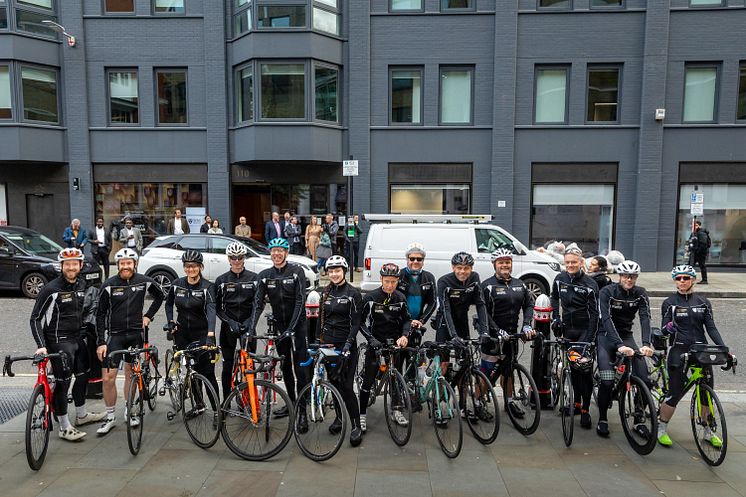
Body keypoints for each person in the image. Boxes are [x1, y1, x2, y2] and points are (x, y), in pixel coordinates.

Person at [30, 248, 105, 441]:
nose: (71, 267)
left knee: (83, 377)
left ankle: (81, 416)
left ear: (80, 265)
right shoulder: (51, 289)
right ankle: (64, 427)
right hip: (57, 341)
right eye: (67, 264)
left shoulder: (81, 284)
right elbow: (35, 318)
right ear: (61, 266)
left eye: (74, 264)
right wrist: (41, 345)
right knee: (63, 383)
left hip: (78, 339)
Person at [657, 264, 733, 447]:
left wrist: (724, 348)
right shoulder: (669, 302)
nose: (682, 281)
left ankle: (708, 431)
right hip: (679, 350)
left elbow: (711, 328)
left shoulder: (703, 302)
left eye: (685, 278)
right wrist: (668, 328)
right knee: (675, 392)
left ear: (693, 279)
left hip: (701, 351)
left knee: (706, 393)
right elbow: (663, 329)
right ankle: (661, 428)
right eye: (678, 278)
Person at [94, 248, 165, 435]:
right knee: (108, 378)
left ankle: (129, 410)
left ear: (135, 264)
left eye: (129, 263)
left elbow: (161, 296)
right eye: (122, 263)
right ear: (117, 265)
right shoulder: (108, 285)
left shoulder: (143, 282)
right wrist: (101, 341)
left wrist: (148, 316)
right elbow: (99, 315)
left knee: (130, 376)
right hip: (114, 337)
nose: (126, 266)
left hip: (135, 335)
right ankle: (110, 417)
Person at [249, 238, 309, 427]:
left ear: (286, 253)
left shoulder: (296, 272)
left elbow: (300, 301)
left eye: (280, 251)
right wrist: (251, 327)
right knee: (285, 368)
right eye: (274, 251)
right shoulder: (265, 275)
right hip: (280, 328)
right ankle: (291, 402)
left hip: (297, 327)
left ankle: (302, 410)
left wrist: (292, 328)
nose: (277, 254)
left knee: (301, 369)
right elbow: (258, 303)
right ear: (270, 253)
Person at [596, 260, 653, 438]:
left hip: (627, 336)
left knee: (645, 379)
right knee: (606, 380)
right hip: (606, 337)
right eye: (626, 276)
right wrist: (619, 345)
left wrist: (646, 344)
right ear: (620, 276)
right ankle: (603, 418)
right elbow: (606, 319)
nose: (629, 279)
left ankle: (638, 419)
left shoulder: (640, 293)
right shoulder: (608, 292)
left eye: (633, 276)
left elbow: (645, 318)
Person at [481, 248, 536, 419]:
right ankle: (477, 401)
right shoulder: (488, 285)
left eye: (507, 262)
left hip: (512, 336)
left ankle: (509, 401)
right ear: (494, 265)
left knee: (509, 370)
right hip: (492, 337)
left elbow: (529, 305)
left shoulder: (520, 284)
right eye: (501, 262)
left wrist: (526, 325)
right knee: (487, 372)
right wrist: (497, 330)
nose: (504, 265)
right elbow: (483, 313)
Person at [550, 246, 599, 429]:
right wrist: (556, 318)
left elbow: (595, 314)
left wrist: (588, 340)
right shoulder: (559, 279)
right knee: (572, 370)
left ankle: (585, 410)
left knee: (584, 372)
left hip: (584, 332)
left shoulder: (589, 284)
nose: (570, 265)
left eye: (574, 262)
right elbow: (554, 298)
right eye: (568, 262)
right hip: (567, 331)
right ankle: (576, 404)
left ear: (581, 263)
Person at [358, 263, 411, 433]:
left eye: (393, 282)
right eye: (386, 281)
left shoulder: (401, 298)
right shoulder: (371, 297)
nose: (389, 285)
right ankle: (361, 414)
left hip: (394, 343)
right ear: (381, 279)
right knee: (369, 378)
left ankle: (396, 410)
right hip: (376, 342)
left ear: (397, 281)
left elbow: (406, 320)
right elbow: (360, 322)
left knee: (396, 377)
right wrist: (371, 339)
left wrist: (404, 336)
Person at [318, 255, 363, 446]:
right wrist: (317, 343)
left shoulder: (353, 294)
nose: (334, 274)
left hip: (346, 346)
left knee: (346, 386)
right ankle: (339, 417)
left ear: (344, 271)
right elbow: (320, 321)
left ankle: (356, 425)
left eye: (337, 271)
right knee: (334, 383)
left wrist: (347, 346)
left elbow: (356, 323)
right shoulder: (324, 293)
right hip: (328, 345)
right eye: (331, 271)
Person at [164, 250, 219, 403]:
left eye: (194, 266)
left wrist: (210, 335)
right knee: (191, 371)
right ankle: (199, 404)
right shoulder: (177, 285)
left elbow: (212, 311)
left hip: (202, 334)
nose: (190, 269)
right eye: (187, 266)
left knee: (207, 373)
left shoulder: (207, 287)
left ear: (200, 267)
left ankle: (217, 411)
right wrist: (171, 321)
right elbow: (168, 304)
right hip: (182, 334)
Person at [214, 241, 259, 401]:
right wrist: (229, 322)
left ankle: (251, 400)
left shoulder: (254, 279)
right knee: (227, 367)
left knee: (250, 366)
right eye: (233, 257)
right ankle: (226, 400)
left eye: (240, 257)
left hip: (248, 326)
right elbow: (216, 307)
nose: (237, 261)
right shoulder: (221, 280)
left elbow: (258, 304)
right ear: (228, 259)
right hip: (228, 328)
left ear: (244, 257)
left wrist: (250, 322)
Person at [396, 243, 436, 409]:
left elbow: (433, 302)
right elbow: (394, 300)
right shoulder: (399, 276)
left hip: (417, 326)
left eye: (419, 259)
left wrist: (422, 320)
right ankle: (396, 397)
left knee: (414, 363)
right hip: (399, 326)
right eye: (412, 258)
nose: (415, 261)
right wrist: (406, 320)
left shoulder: (428, 277)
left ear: (423, 261)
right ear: (407, 259)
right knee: (398, 362)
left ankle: (411, 396)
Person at [687, 220, 710, 284]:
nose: (694, 226)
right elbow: (691, 241)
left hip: (700, 253)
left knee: (702, 265)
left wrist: (698, 251)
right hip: (695, 252)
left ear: (699, 226)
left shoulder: (701, 233)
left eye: (696, 225)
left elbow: (703, 244)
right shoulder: (694, 233)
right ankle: (688, 278)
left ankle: (704, 280)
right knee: (690, 265)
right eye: (693, 225)